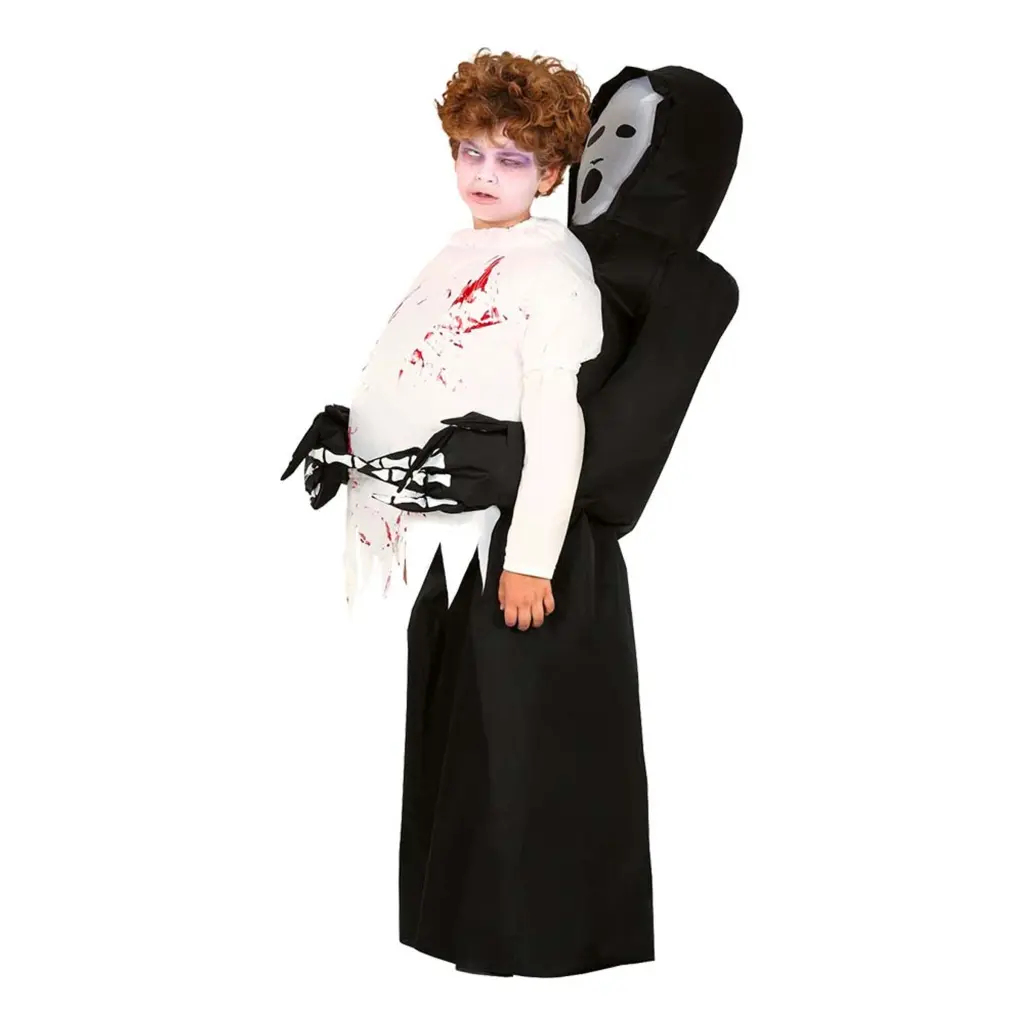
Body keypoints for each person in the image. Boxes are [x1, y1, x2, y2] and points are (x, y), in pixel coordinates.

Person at [339, 49, 600, 634]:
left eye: (510, 160)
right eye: (471, 152)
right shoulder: (456, 252)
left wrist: (530, 560)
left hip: (477, 539)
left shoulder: (550, 270)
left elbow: (557, 420)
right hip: (409, 528)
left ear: (549, 175)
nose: (484, 174)